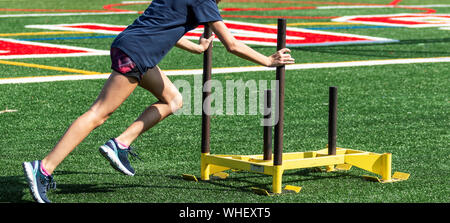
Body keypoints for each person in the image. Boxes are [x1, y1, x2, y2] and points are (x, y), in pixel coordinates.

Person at [22, 0, 295, 203]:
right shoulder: (205, 1)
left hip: (130, 45)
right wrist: (268, 60)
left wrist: (195, 47)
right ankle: (43, 168)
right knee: (98, 113)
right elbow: (232, 45)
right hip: (137, 53)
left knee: (173, 100)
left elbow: (163, 26)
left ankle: (120, 144)